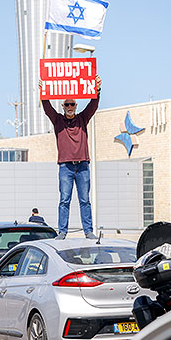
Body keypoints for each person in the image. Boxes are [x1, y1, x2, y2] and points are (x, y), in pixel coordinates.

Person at [39, 75, 102, 240]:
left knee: (85, 200)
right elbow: (47, 108)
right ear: (62, 106)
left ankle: (88, 231)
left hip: (82, 166)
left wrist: (97, 89)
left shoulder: (82, 118)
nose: (69, 107)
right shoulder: (57, 120)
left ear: (76, 105)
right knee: (64, 200)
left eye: (72, 104)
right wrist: (43, 91)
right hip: (65, 167)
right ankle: (62, 232)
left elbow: (93, 105)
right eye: (66, 104)